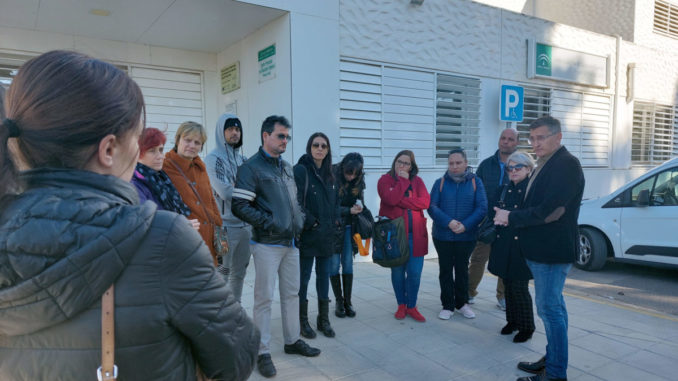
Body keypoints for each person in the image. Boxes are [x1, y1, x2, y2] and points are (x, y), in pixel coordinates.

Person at [0, 50, 259, 380]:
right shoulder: (161, 239)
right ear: (109, 150)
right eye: (138, 139)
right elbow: (235, 357)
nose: (144, 152)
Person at [494, 116, 585, 381]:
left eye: (541, 137)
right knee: (554, 308)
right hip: (542, 251)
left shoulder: (566, 165)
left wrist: (510, 217)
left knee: (550, 311)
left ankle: (555, 374)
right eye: (532, 138)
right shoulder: (547, 163)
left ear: (558, 137)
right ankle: (553, 360)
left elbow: (551, 212)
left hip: (552, 252)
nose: (535, 143)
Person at [232, 115, 320, 378]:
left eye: (287, 137)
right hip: (267, 244)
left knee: (292, 295)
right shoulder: (251, 168)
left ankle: (292, 341)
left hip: (292, 244)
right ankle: (262, 351)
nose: (285, 140)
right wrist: (269, 224)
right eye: (280, 136)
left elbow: (295, 203)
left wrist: (300, 222)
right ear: (265, 136)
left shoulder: (286, 167)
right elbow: (240, 205)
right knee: (263, 299)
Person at [428, 149, 487, 320]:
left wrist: (466, 225)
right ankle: (447, 305)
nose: (454, 166)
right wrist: (449, 222)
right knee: (445, 270)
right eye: (451, 163)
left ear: (466, 163)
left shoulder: (476, 182)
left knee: (462, 270)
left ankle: (462, 303)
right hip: (442, 236)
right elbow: (432, 207)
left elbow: (482, 207)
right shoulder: (440, 183)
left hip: (466, 236)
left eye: (458, 163)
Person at [293, 132, 340, 339]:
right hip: (308, 235)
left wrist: (334, 220)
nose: (319, 149)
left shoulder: (332, 174)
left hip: (327, 237)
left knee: (324, 278)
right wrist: (312, 221)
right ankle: (302, 321)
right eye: (315, 145)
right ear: (309, 148)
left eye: (323, 146)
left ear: (328, 150)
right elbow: (296, 202)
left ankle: (323, 319)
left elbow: (336, 202)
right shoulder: (301, 171)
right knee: (303, 280)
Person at [488, 151, 536, 343]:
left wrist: (509, 216)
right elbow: (494, 210)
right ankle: (512, 321)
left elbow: (532, 216)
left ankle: (527, 327)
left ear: (529, 169)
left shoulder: (532, 191)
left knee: (520, 288)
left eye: (519, 167)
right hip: (503, 243)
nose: (514, 171)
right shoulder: (503, 189)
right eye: (510, 167)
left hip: (522, 245)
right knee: (507, 284)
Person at [377, 150, 430, 322]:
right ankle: (401, 305)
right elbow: (390, 199)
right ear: (394, 162)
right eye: (399, 161)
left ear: (412, 166)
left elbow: (425, 202)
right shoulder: (385, 180)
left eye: (406, 163)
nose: (402, 165)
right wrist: (402, 181)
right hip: (394, 237)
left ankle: (412, 306)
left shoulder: (419, 181)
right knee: (398, 272)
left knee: (414, 273)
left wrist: (402, 200)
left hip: (416, 235)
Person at [468, 128, 519, 309]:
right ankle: (469, 291)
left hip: (509, 222)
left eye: (510, 139)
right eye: (503, 138)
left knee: (505, 260)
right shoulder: (486, 165)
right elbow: (476, 192)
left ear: (516, 143)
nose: (505, 141)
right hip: (487, 221)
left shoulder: (520, 165)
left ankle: (503, 296)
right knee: (478, 258)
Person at [205, 114, 252, 300]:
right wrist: (246, 192)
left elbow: (256, 189)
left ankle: (235, 312)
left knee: (239, 274)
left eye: (238, 129)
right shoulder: (213, 159)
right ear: (221, 131)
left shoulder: (244, 160)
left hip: (246, 227)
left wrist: (238, 189)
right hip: (224, 227)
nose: (235, 133)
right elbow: (225, 192)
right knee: (222, 274)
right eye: (230, 129)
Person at [163, 121, 223, 265]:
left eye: (197, 142)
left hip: (209, 241)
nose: (192, 145)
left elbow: (210, 199)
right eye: (187, 140)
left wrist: (218, 222)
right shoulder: (164, 167)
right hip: (183, 242)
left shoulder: (201, 168)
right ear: (178, 140)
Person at [131, 128, 198, 227]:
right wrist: (179, 226)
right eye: (152, 151)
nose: (161, 156)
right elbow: (143, 225)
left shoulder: (161, 178)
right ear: (137, 152)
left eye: (161, 150)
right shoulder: (134, 183)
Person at [330, 152, 366, 318]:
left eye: (355, 174)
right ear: (343, 168)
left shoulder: (359, 179)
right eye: (348, 173)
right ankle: (338, 301)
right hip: (333, 227)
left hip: (350, 228)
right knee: (333, 264)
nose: (351, 177)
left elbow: (360, 200)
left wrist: (359, 207)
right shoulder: (332, 175)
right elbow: (326, 207)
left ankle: (348, 301)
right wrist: (347, 210)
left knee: (348, 264)